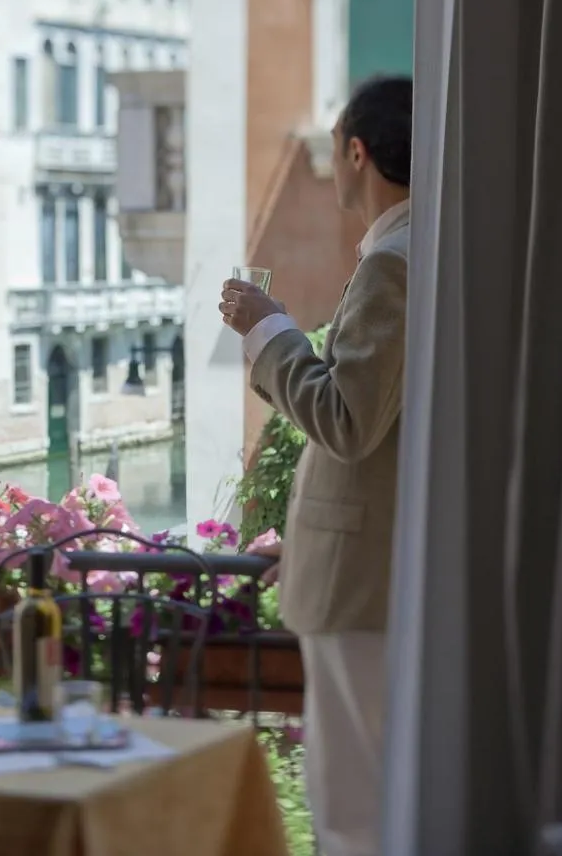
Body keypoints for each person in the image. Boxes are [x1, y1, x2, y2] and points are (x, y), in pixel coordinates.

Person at [219, 75, 412, 856]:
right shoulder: (422, 249)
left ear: (355, 153)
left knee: (350, 808)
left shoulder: (393, 261)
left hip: (362, 591)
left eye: (334, 150)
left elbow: (346, 420)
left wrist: (269, 332)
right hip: (379, 575)